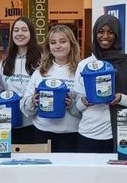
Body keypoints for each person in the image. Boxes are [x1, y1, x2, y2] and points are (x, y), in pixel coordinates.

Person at [74, 15, 127, 154]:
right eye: (100, 31)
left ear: (117, 35)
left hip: (121, 134)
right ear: (95, 34)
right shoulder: (84, 65)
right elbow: (77, 108)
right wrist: (85, 101)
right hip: (88, 134)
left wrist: (120, 98)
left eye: (111, 32)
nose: (105, 36)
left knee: (117, 176)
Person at [21, 24, 83, 152]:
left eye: (63, 41)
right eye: (53, 42)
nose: (58, 46)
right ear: (48, 47)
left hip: (72, 134)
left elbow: (87, 107)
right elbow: (24, 105)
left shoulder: (81, 71)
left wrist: (72, 104)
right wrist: (32, 101)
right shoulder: (39, 72)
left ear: (71, 44)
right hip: (42, 133)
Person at [0, 16, 42, 145]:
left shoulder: (42, 59)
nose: (20, 33)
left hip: (33, 123)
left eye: (24, 30)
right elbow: (1, 89)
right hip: (9, 124)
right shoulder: (5, 61)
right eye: (16, 30)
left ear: (31, 33)